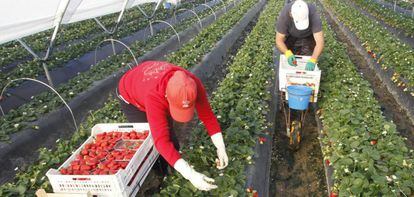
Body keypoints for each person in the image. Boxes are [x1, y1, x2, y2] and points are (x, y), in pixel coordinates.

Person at [117, 61, 229, 191]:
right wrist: (190, 174)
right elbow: (161, 141)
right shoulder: (155, 96)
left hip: (148, 84)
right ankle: (158, 176)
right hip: (130, 94)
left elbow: (208, 116)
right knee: (151, 142)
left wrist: (220, 147)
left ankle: (171, 172)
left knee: (171, 140)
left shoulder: (192, 85)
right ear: (167, 97)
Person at [275, 0, 324, 71]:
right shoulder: (284, 16)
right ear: (291, 14)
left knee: (308, 55)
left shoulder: (313, 14)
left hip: (308, 35)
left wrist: (313, 59)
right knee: (291, 55)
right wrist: (287, 53)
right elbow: (279, 40)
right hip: (291, 35)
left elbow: (320, 42)